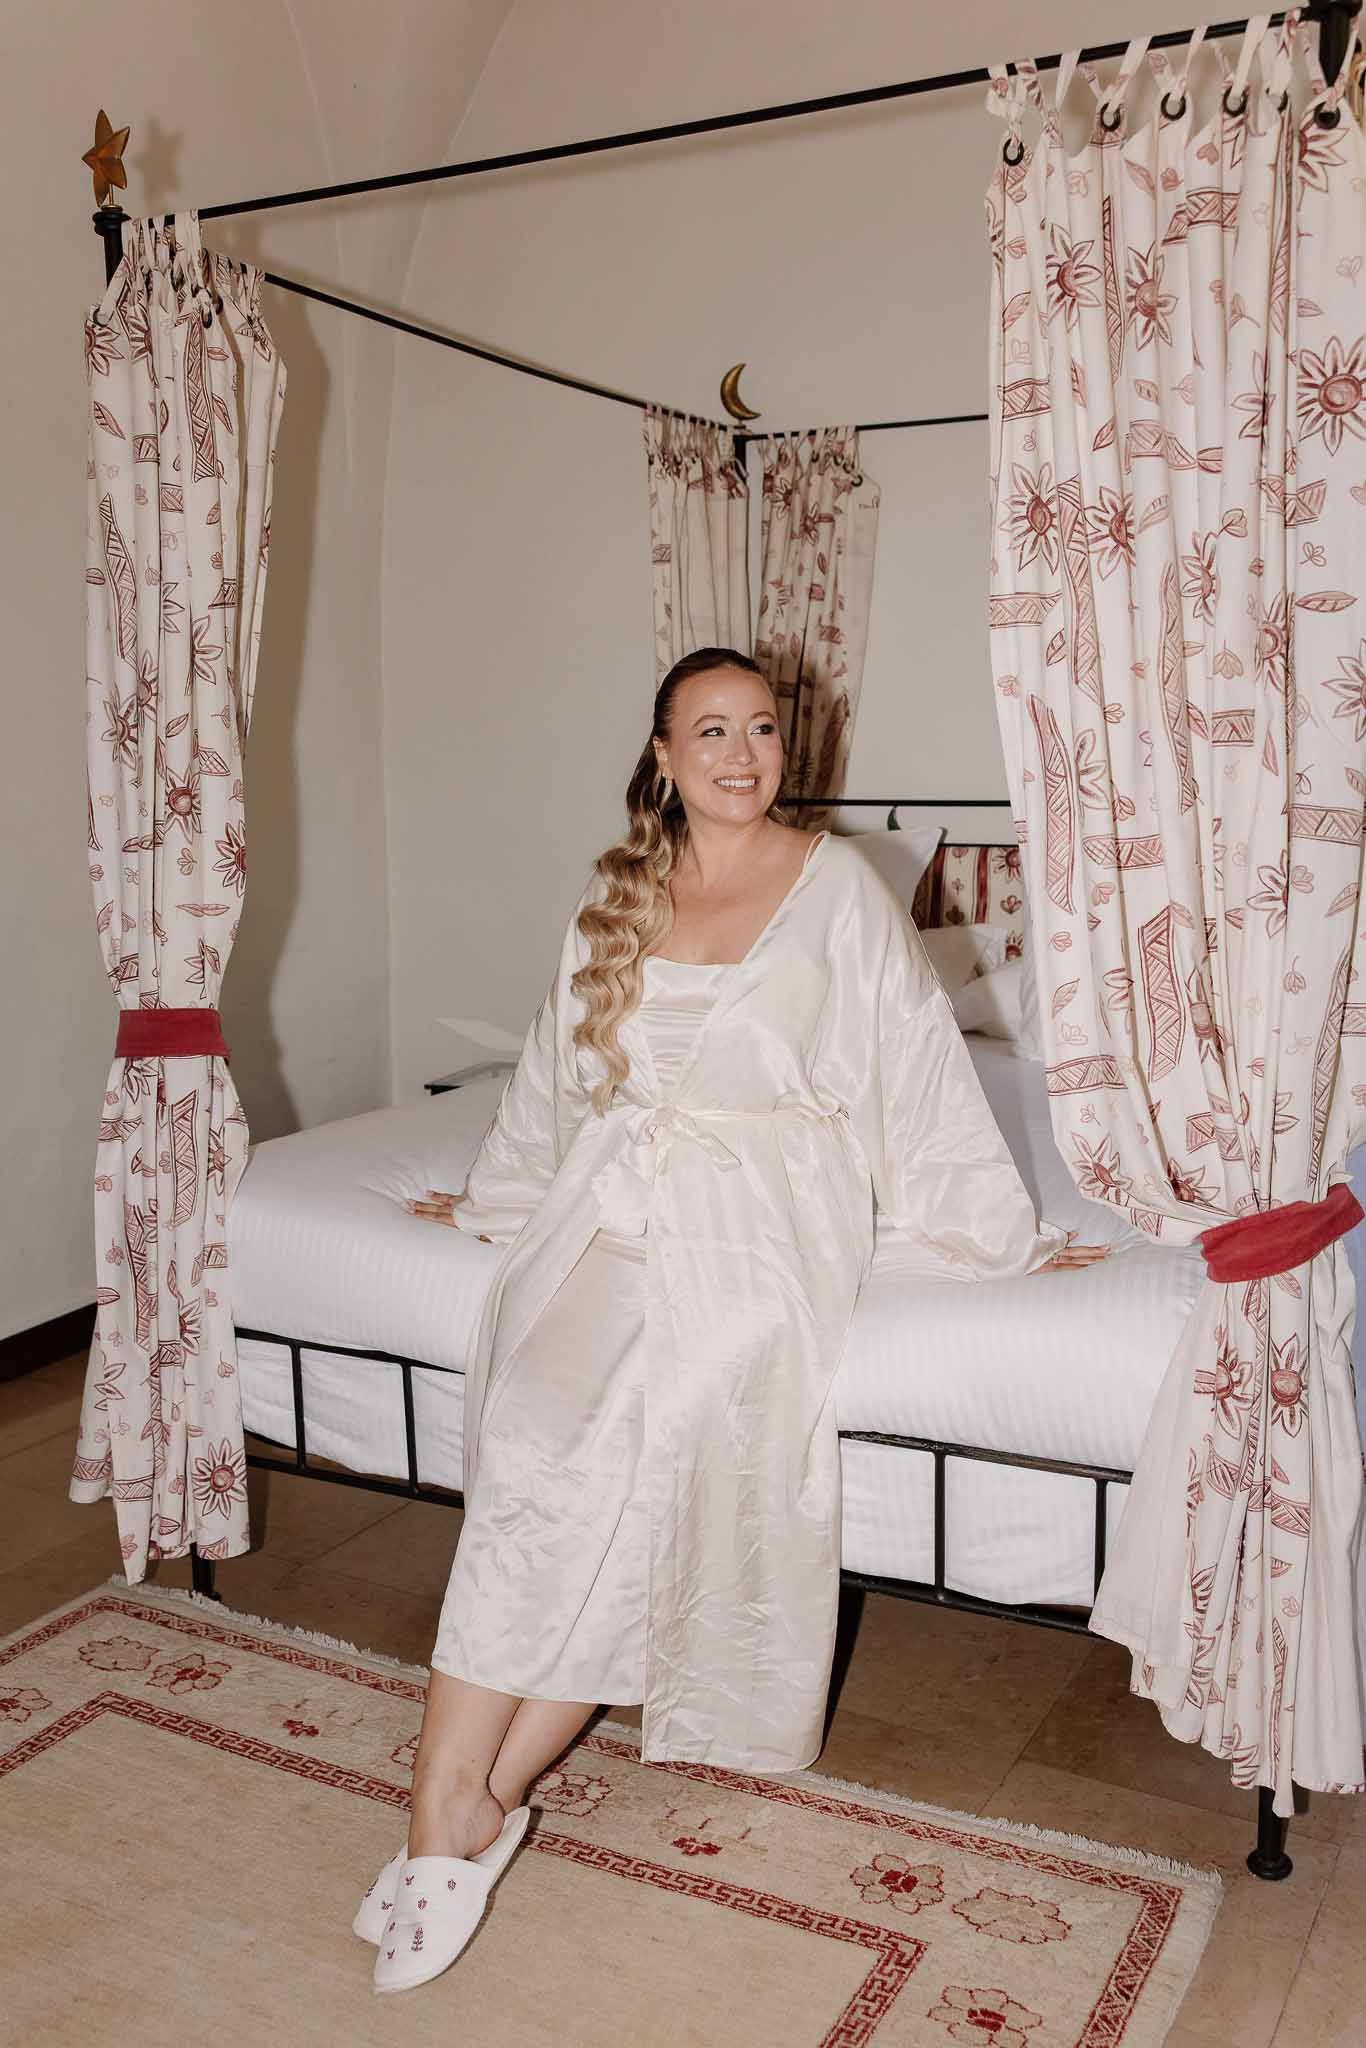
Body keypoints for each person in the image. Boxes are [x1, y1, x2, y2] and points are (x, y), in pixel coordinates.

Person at [359, 646, 1105, 1993]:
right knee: (533, 1442)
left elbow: (914, 1064)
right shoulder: (617, 894)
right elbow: (553, 1066)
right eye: (709, 730)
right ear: (660, 753)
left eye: (761, 727)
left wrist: (994, 1233)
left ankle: (459, 1814)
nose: (741, 752)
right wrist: (494, 1198)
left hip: (766, 1214)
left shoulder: (842, 888)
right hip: (618, 1200)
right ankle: (453, 1812)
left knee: (655, 1462)